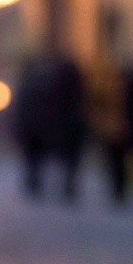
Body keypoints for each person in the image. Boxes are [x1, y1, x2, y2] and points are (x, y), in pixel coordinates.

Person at [14, 48, 87, 201]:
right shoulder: (56, 88)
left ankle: (40, 184)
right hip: (42, 128)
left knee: (39, 160)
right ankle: (46, 184)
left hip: (44, 128)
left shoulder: (37, 85)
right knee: (43, 160)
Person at [83, 51, 133, 204]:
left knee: (120, 160)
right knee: (113, 160)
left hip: (121, 128)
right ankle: (117, 188)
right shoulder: (104, 86)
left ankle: (120, 188)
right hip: (112, 128)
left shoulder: (125, 85)